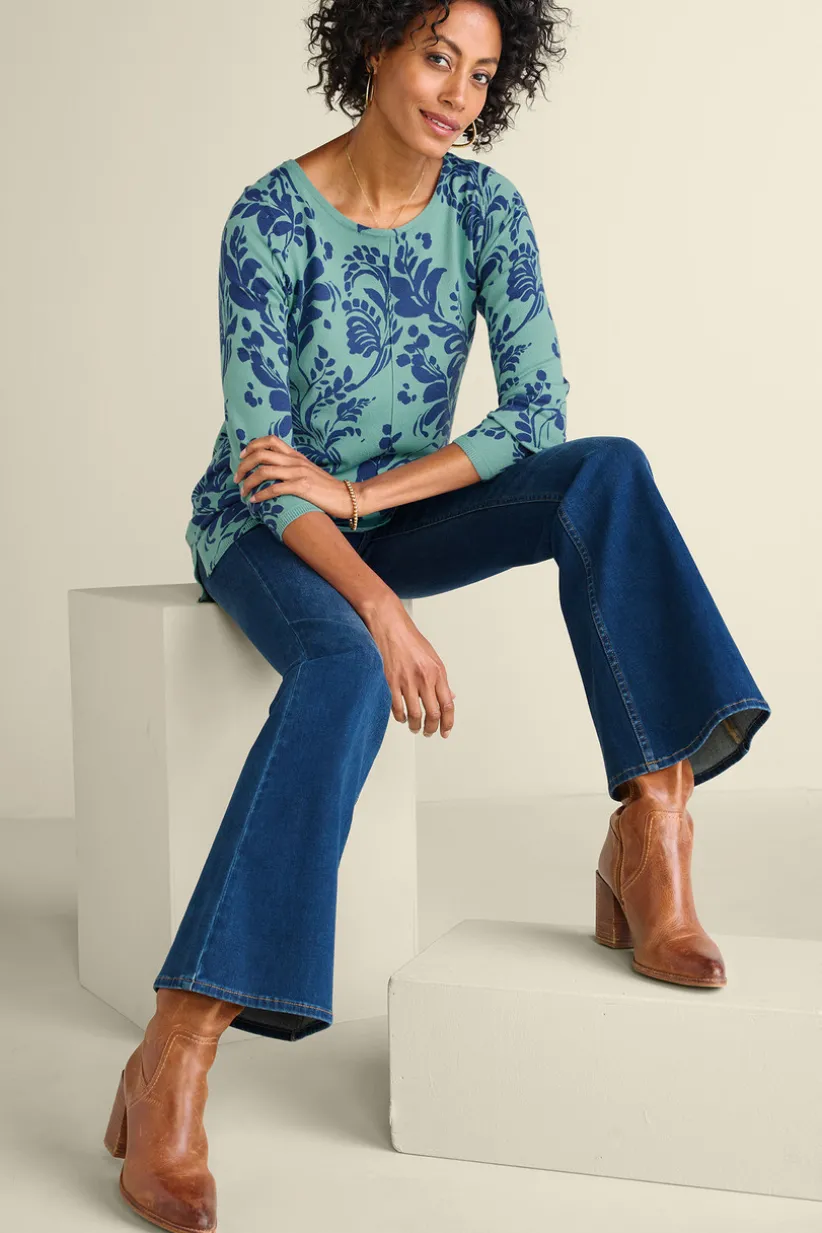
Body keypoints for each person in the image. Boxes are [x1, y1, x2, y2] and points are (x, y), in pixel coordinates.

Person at [103, 2, 772, 1229]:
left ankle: (653, 826)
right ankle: (175, 1050)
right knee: (348, 670)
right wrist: (379, 608)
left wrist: (368, 500)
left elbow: (536, 413)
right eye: (437, 57)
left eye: (483, 72)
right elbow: (267, 472)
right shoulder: (268, 219)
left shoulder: (487, 211)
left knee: (605, 472)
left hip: (389, 506)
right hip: (265, 530)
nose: (459, 93)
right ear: (374, 47)